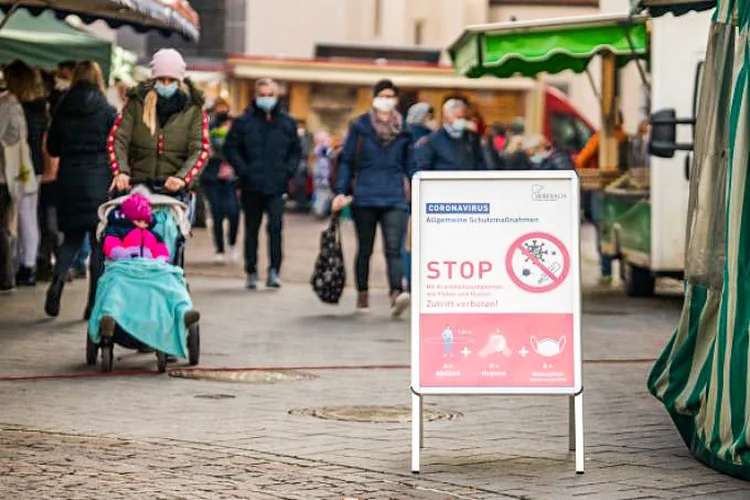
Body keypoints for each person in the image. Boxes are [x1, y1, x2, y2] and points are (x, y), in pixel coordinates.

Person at [331, 79, 412, 317]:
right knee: (364, 248)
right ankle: (362, 295)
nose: (386, 100)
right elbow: (347, 160)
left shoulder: (404, 129)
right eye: (382, 95)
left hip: (395, 197)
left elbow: (412, 163)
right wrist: (342, 192)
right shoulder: (360, 126)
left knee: (394, 248)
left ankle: (396, 294)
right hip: (364, 196)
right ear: (375, 98)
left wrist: (419, 187)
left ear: (396, 100)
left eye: (391, 96)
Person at [43, 61, 117, 318]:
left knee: (71, 238)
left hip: (69, 178)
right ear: (98, 78)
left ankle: (58, 281)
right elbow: (115, 148)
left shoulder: (63, 108)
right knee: (98, 244)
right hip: (98, 180)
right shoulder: (107, 110)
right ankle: (92, 303)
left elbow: (52, 147)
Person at [223, 78, 301, 290]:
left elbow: (296, 150)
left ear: (277, 96)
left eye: (270, 95)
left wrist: (289, 171)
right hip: (251, 185)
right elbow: (230, 148)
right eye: (262, 94)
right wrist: (243, 170)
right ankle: (251, 270)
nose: (266, 98)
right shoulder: (243, 122)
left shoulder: (287, 123)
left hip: (277, 185)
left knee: (275, 228)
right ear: (256, 96)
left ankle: (274, 270)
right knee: (251, 230)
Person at [109, 48, 209, 196]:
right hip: (137, 186)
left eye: (171, 80)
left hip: (176, 191)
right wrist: (121, 172)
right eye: (161, 79)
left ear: (179, 81)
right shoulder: (136, 103)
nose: (166, 84)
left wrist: (182, 178)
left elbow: (200, 149)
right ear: (153, 79)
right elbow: (118, 139)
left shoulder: (194, 109)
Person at [4, 60, 47, 287]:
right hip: (34, 166)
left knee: (22, 215)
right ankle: (27, 263)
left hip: (20, 166)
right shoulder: (40, 106)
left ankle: (25, 264)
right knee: (28, 215)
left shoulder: (18, 107)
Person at [0, 84, 29, 292]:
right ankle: (7, 276)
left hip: (5, 175)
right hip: (8, 175)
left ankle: (6, 277)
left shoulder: (8, 106)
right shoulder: (14, 106)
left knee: (3, 226)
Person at [200, 112, 240, 263]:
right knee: (217, 214)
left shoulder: (237, 138)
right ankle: (220, 249)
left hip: (231, 182)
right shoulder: (210, 135)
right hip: (212, 180)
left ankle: (232, 244)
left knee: (233, 213)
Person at [415, 99, 487, 172]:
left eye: (462, 117)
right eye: (457, 118)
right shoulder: (432, 140)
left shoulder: (472, 138)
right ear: (446, 117)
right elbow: (424, 168)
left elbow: (481, 163)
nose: (461, 121)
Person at [311, 131, 335, 219]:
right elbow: (323, 168)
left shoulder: (319, 151)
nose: (329, 141)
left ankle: (321, 211)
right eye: (327, 139)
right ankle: (319, 212)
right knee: (322, 196)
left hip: (321, 179)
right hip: (322, 179)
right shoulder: (323, 151)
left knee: (322, 195)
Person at [293, 118, 314, 213]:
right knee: (300, 185)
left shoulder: (306, 136)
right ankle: (301, 203)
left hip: (301, 163)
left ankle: (301, 204)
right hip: (300, 163)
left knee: (301, 185)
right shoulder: (299, 136)